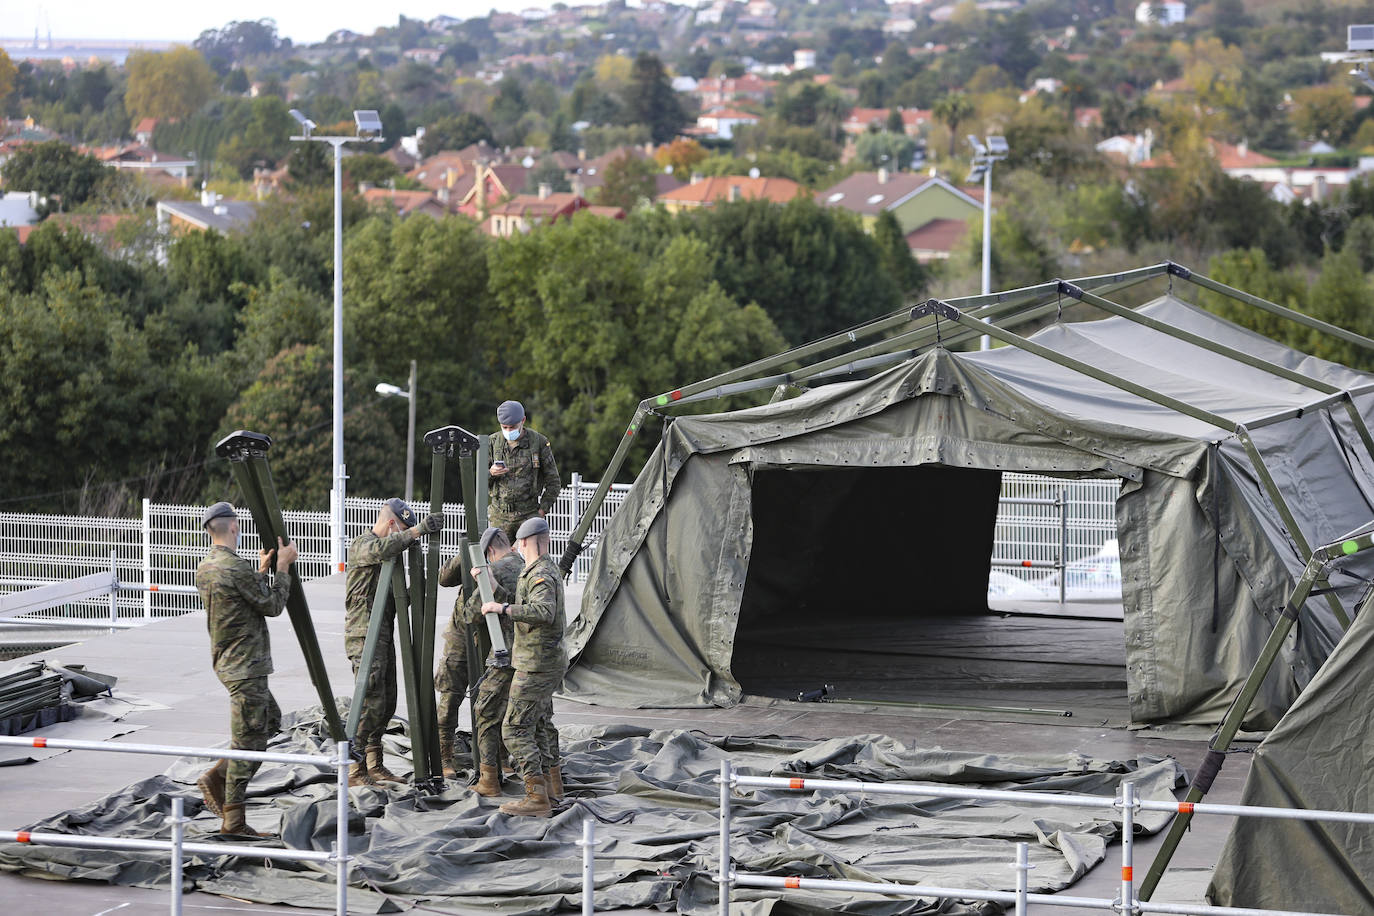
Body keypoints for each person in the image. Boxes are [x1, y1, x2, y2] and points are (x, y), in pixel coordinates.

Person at [194, 501, 298, 836]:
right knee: (250, 743)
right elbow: (271, 604)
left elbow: (238, 596)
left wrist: (261, 571)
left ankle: (218, 777)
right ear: (235, 527)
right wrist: (282, 568)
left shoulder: (208, 566)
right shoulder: (235, 567)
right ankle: (233, 818)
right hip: (245, 667)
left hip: (229, 663)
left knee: (269, 721)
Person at [345, 497, 442, 785]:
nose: (403, 535)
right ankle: (353, 766)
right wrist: (416, 532)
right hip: (363, 634)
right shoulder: (364, 545)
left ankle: (374, 764)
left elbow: (396, 600)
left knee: (387, 702)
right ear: (391, 524)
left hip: (382, 632)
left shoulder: (388, 557)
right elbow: (381, 548)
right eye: (400, 528)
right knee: (370, 701)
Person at [480, 516, 567, 817]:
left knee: (514, 728)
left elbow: (543, 611)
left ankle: (536, 798)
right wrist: (494, 589)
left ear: (527, 541)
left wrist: (501, 608)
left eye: (519, 541)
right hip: (541, 660)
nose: (517, 546)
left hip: (536, 663)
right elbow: (524, 606)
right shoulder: (539, 569)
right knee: (538, 725)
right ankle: (551, 791)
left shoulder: (540, 573)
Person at [434, 526, 522, 781]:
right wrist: (470, 552)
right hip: (462, 636)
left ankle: (498, 758)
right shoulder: (481, 555)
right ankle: (444, 756)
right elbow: (445, 578)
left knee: (496, 703)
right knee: (451, 694)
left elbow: (474, 611)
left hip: (493, 639)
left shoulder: (507, 566)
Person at [488, 400, 561, 544]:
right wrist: (491, 473)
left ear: (523, 420)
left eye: (513, 427)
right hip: (499, 516)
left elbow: (553, 482)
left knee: (530, 560)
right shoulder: (492, 442)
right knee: (499, 563)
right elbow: (478, 481)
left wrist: (542, 511)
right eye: (505, 427)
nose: (509, 431)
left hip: (529, 514)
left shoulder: (538, 442)